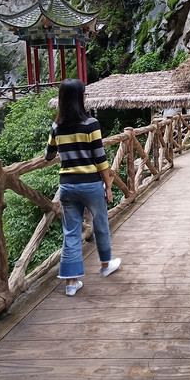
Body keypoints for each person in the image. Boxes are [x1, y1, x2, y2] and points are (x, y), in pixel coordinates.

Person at [45, 79, 121, 296]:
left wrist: (65, 153)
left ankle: (71, 283)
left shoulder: (56, 126)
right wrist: (108, 185)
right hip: (90, 184)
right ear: (79, 98)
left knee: (71, 232)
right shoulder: (91, 124)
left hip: (67, 186)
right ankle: (106, 266)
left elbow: (48, 155)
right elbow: (100, 158)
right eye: (84, 94)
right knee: (100, 223)